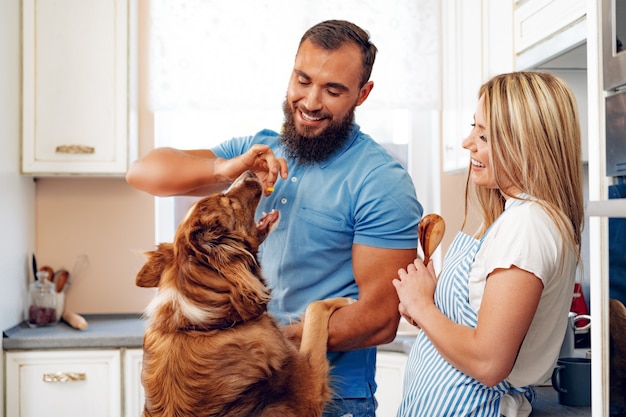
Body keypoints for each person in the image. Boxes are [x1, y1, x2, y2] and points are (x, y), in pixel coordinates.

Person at [126, 19, 423, 417]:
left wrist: (259, 343)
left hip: (325, 398)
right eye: (303, 80)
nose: (311, 101)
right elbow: (143, 172)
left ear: (362, 94)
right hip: (238, 386)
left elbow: (379, 319)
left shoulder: (380, 181)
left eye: (333, 90)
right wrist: (225, 169)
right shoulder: (258, 148)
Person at [392, 71, 584, 417]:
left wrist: (423, 307)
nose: (468, 143)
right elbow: (479, 330)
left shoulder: (528, 225)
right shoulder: (515, 216)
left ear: (527, 143)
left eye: (484, 135)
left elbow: (489, 361)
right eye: (473, 128)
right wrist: (431, 307)